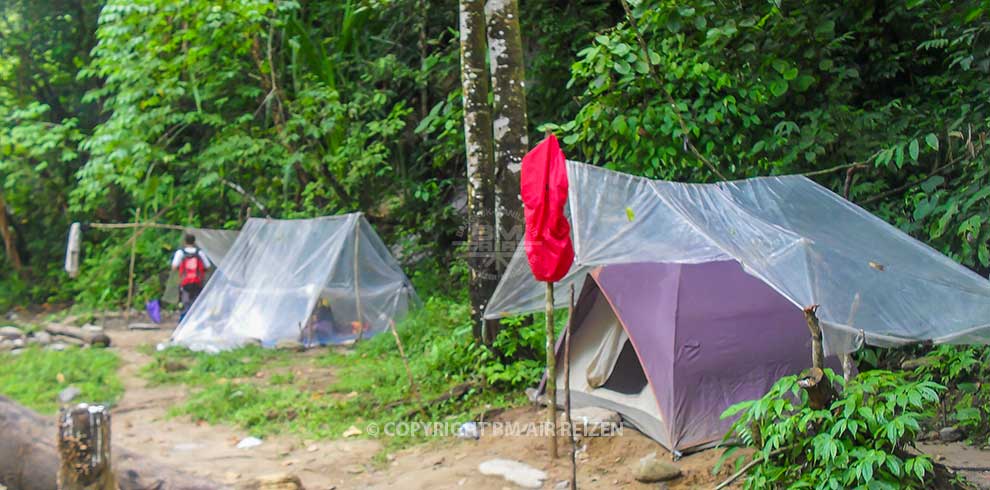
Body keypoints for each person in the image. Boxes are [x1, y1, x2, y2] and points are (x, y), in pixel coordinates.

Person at [171, 234, 212, 321]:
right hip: (198, 282)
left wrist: (181, 269)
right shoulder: (199, 252)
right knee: (197, 303)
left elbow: (174, 267)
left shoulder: (180, 253)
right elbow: (208, 267)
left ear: (185, 241)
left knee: (185, 303)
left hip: (185, 282)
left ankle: (184, 322)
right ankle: (197, 322)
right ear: (194, 242)